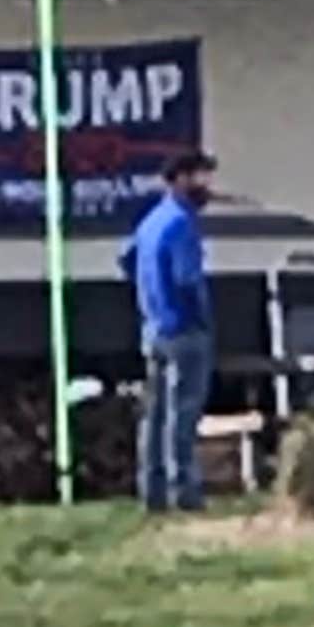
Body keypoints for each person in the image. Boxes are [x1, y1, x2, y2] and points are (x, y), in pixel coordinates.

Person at [126, 147, 216, 513]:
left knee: (156, 414)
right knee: (184, 413)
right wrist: (200, 315)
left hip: (155, 328)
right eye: (200, 177)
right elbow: (187, 277)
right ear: (180, 178)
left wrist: (149, 295)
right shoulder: (182, 223)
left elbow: (126, 258)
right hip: (183, 330)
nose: (206, 186)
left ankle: (153, 490)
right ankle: (186, 492)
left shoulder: (150, 221)